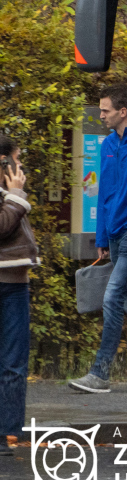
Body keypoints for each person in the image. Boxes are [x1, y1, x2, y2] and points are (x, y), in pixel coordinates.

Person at [69, 84, 127, 394]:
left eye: (105, 110)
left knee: (112, 297)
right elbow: (104, 194)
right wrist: (102, 236)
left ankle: (100, 373)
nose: (101, 114)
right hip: (116, 235)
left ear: (123, 111)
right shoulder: (108, 144)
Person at [0, 135, 38, 455]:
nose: (20, 164)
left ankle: (8, 432)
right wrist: (15, 196)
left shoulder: (9, 193)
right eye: (16, 158)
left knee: (14, 363)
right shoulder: (12, 195)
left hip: (15, 283)